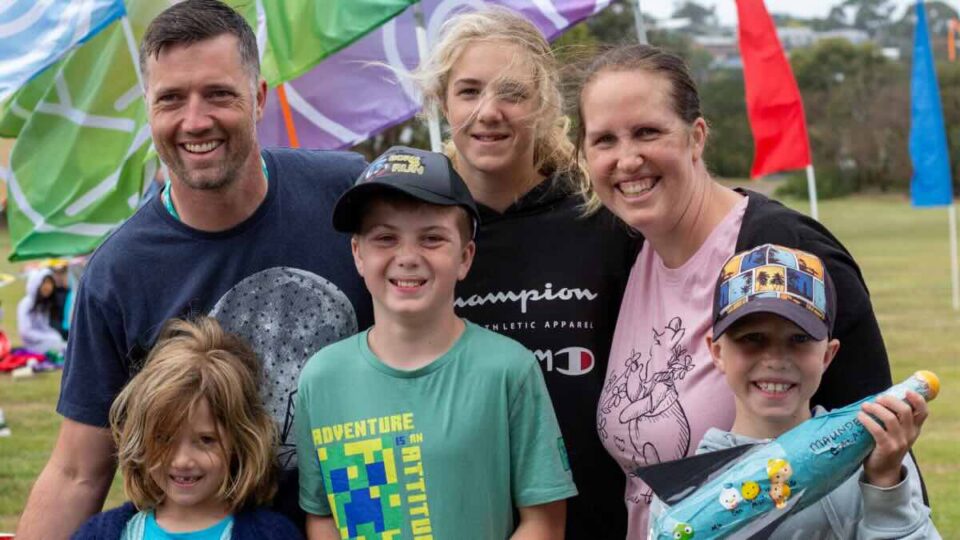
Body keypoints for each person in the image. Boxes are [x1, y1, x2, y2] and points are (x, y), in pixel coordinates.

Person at [17, 1, 372, 537]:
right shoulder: (117, 274)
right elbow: (77, 472)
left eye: (219, 94)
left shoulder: (349, 197)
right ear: (148, 110)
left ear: (258, 98)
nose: (195, 120)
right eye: (171, 99)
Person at [575, 44, 894, 536]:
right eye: (604, 140)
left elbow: (878, 450)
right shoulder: (626, 255)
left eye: (647, 132)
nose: (628, 159)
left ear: (696, 137)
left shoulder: (782, 250)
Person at [413, 8, 636, 537]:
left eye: (512, 93)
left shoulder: (604, 222)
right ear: (442, 102)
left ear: (543, 104)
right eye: (469, 91)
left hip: (597, 519)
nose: (488, 112)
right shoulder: (417, 233)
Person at [296, 146, 577, 539]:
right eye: (385, 238)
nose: (408, 257)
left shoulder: (508, 369)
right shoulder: (323, 378)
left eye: (431, 238)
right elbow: (323, 515)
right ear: (357, 253)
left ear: (465, 257)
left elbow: (543, 521)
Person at [690, 244, 937, 539]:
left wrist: (885, 485)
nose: (776, 360)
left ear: (827, 356)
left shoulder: (875, 453)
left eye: (799, 338)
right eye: (753, 338)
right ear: (717, 352)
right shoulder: (690, 487)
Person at [72, 317, 303, 540]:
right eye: (164, 439)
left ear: (239, 441)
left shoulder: (273, 535)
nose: (182, 461)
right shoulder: (100, 534)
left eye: (206, 440)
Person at [17, 268, 67, 354]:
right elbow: (25, 332)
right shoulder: (27, 303)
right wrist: (48, 337)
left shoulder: (43, 304)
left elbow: (44, 327)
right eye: (45, 282)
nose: (48, 287)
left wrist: (53, 335)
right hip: (32, 346)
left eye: (50, 283)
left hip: (44, 342)